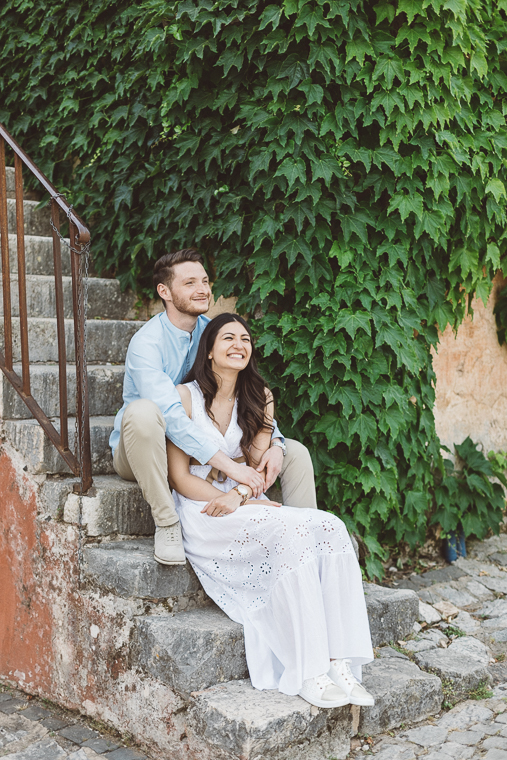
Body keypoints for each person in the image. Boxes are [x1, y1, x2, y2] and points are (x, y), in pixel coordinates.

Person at [166, 312, 375, 709]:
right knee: (293, 533)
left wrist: (240, 494)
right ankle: (307, 670)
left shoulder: (259, 395)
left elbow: (258, 468)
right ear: (208, 351)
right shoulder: (184, 397)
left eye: (245, 339)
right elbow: (179, 476)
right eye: (227, 338)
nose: (239, 345)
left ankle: (339, 662)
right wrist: (225, 497)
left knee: (330, 526)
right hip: (202, 508)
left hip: (242, 500)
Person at [109, 248, 317, 566]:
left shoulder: (214, 331)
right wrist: (232, 467)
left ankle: (308, 544)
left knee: (295, 453)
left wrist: (275, 440)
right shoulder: (146, 344)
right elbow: (171, 414)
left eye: (205, 281)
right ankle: (166, 523)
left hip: (202, 447)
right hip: (145, 447)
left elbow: (244, 391)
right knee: (143, 413)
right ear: (164, 291)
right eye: (190, 282)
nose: (203, 289)